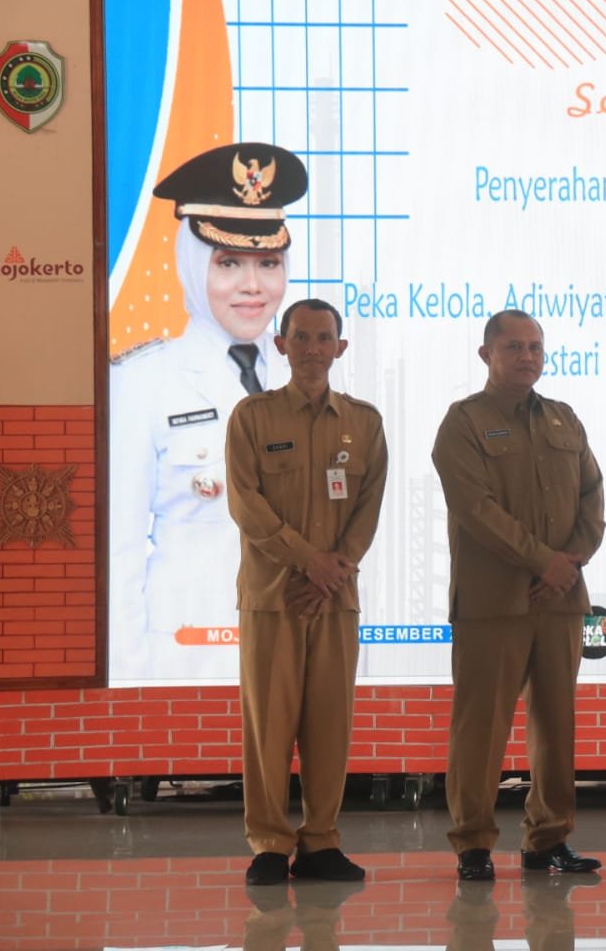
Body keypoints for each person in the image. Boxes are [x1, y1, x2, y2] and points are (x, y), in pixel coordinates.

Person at [109, 141, 305, 683]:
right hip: (187, 655)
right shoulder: (141, 382)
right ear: (193, 267)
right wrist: (127, 682)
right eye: (228, 263)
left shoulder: (306, 379)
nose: (252, 286)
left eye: (269, 263)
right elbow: (118, 551)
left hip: (294, 647)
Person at [433, 310, 606, 882]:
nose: (526, 356)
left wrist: (570, 562)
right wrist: (543, 560)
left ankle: (547, 839)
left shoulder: (564, 419)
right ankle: (474, 844)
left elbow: (592, 494)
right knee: (481, 728)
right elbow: (475, 509)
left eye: (534, 347)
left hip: (559, 599)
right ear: (486, 355)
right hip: (493, 602)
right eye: (513, 347)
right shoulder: (463, 423)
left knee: (557, 727)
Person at [226, 298, 389, 885]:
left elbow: (367, 511)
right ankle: (270, 844)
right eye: (301, 337)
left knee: (329, 724)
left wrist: (333, 571)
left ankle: (320, 842)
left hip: (335, 600)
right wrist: (307, 563)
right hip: (272, 597)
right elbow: (247, 505)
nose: (313, 348)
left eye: (324, 338)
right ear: (281, 345)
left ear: (340, 348)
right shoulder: (252, 417)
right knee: (268, 727)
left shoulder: (365, 422)